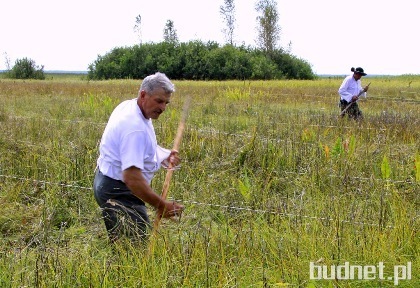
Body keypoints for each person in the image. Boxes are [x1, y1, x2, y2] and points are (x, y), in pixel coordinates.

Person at [93, 72, 184, 242]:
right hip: (118, 191)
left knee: (126, 243)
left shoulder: (130, 106)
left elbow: (137, 147)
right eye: (159, 101)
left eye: (166, 103)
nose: (163, 108)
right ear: (143, 95)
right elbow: (132, 178)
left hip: (106, 180)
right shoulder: (134, 127)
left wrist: (163, 155)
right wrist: (161, 205)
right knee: (133, 247)